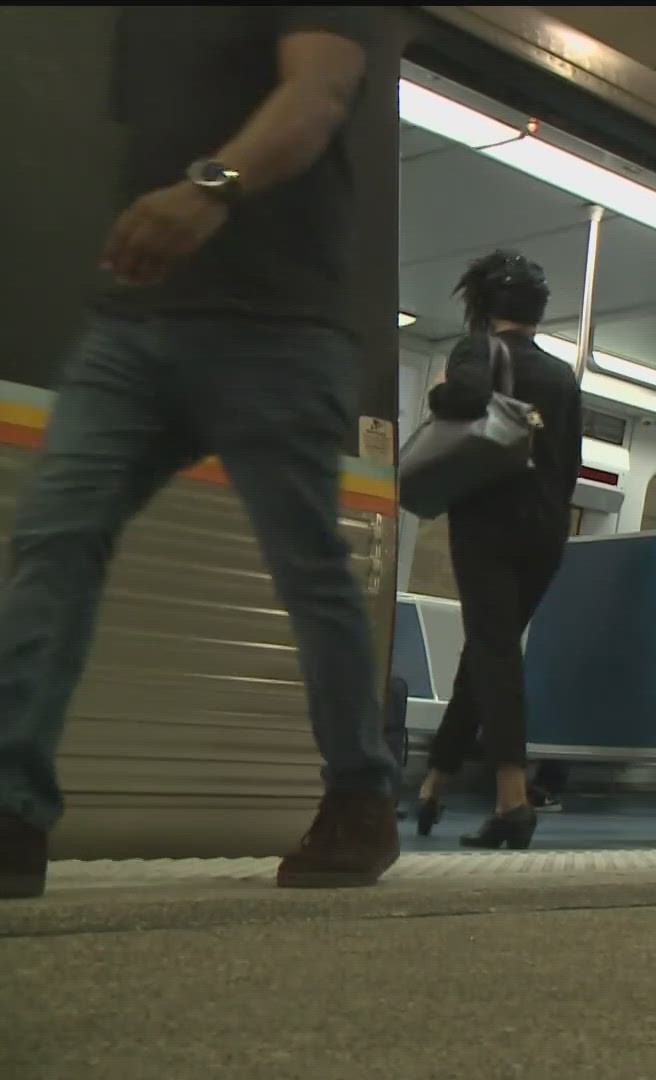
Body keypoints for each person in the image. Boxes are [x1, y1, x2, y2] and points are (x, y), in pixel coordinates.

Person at [0, 8, 399, 900]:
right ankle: (10, 809)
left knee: (309, 570)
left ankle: (360, 796)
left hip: (280, 327)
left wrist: (208, 188)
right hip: (134, 329)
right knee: (55, 536)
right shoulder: (141, 22)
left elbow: (318, 91)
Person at [412, 252, 581, 850]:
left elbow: (460, 403)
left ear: (480, 306)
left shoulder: (476, 350)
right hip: (548, 528)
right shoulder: (563, 376)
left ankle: (513, 799)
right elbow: (569, 464)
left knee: (495, 653)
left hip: (489, 523)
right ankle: (437, 779)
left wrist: (440, 392)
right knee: (488, 651)